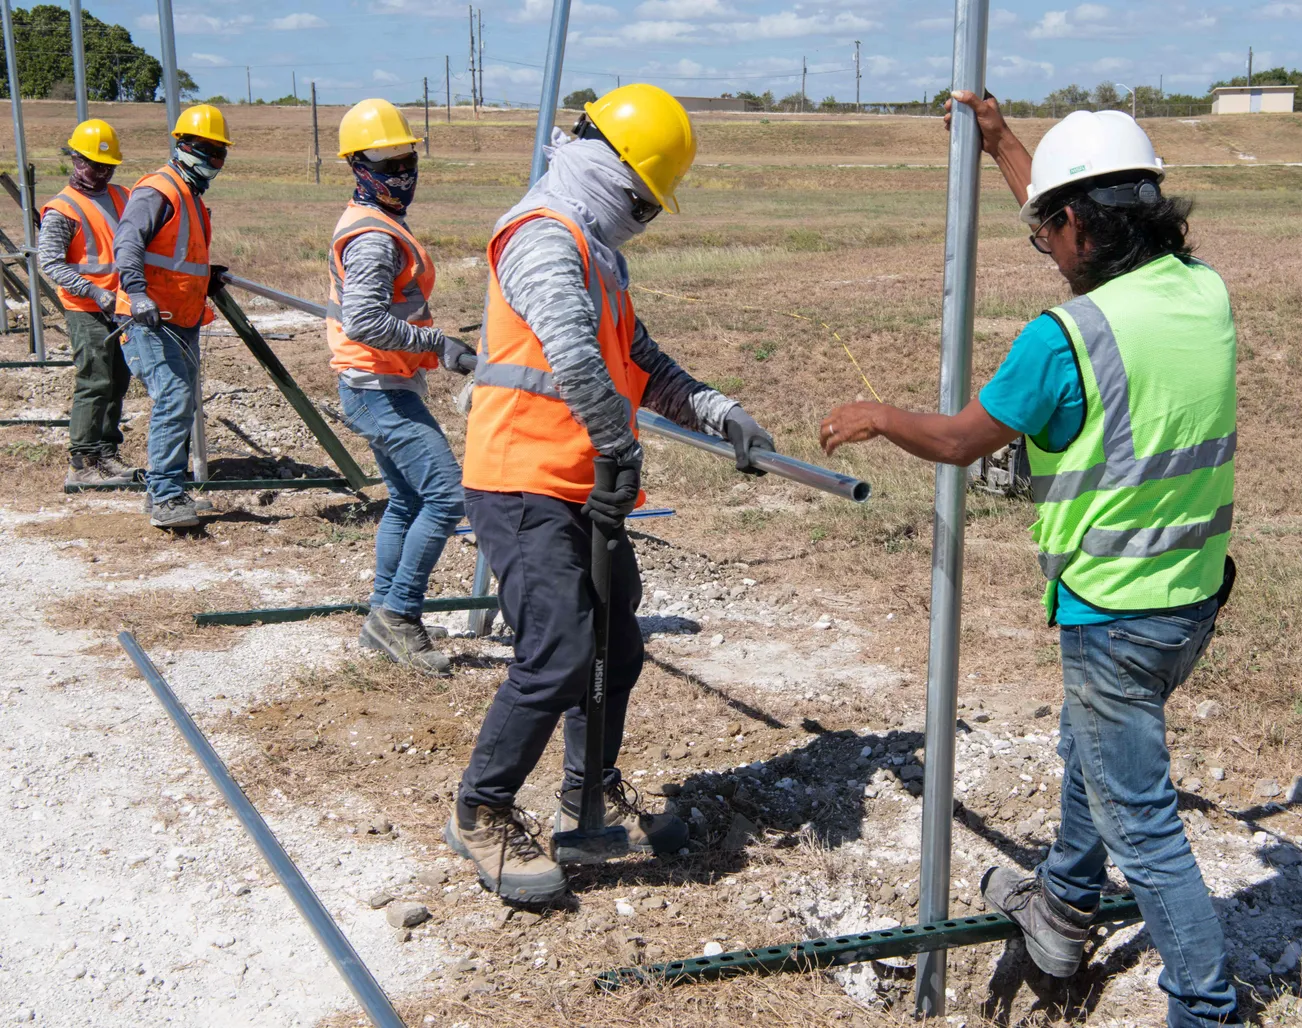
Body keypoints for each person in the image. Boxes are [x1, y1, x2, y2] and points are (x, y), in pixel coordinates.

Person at [820, 93, 1239, 1027]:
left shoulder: (1066, 341)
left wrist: (880, 416)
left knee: (1145, 824)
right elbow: (1079, 220)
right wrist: (1007, 145)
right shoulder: (1201, 290)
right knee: (1086, 754)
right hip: (1193, 597)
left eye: (1048, 229)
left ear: (1080, 225)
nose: (1043, 246)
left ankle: (1206, 1010)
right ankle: (1064, 906)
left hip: (1114, 610)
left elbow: (967, 439)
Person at [447, 84, 777, 904]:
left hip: (579, 484)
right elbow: (570, 354)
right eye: (641, 199)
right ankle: (481, 810)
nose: (644, 216)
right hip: (523, 479)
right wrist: (617, 444)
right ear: (608, 167)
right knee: (558, 650)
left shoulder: (598, 250)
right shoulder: (541, 234)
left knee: (617, 647)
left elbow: (639, 359)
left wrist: (716, 410)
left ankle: (584, 801)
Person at [328, 99, 472, 676]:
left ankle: (380, 617)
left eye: (406, 159)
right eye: (386, 163)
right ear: (358, 166)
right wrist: (439, 346)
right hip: (376, 383)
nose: (401, 174)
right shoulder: (373, 237)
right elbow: (364, 320)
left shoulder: (376, 223)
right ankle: (400, 616)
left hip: (378, 380)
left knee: (410, 500)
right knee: (445, 495)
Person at [114, 104, 231, 529]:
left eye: (219, 152)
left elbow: (181, 260)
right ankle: (165, 495)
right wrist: (137, 292)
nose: (212, 160)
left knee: (181, 400)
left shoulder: (191, 197)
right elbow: (126, 246)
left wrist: (208, 277)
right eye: (205, 149)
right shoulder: (158, 190)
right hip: (148, 318)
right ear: (181, 145)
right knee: (175, 398)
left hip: (181, 318)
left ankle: (164, 491)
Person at [39, 119, 137, 488]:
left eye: (107, 166)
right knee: (95, 381)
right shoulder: (62, 209)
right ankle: (82, 462)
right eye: (94, 164)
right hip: (87, 309)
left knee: (118, 381)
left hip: (121, 306)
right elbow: (51, 263)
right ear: (75, 160)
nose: (101, 172)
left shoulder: (123, 196)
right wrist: (94, 291)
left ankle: (107, 453)